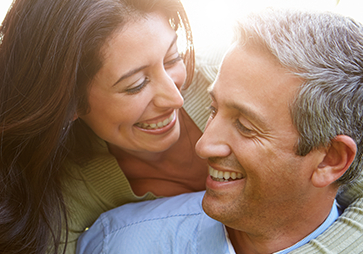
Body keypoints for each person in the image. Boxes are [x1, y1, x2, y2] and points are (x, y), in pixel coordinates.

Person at [76, 9, 363, 253]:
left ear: (330, 159)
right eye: (212, 110)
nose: (203, 146)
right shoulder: (117, 242)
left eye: (245, 126)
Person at [0, 0, 212, 253]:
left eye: (172, 58)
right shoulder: (70, 187)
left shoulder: (228, 80)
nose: (175, 98)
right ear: (70, 104)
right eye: (136, 84)